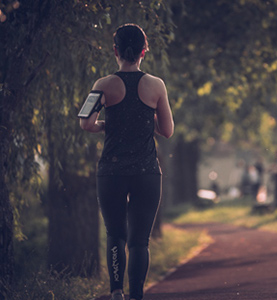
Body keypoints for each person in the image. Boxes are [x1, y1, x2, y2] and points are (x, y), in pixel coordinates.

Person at [80, 24, 174, 300]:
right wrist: (143, 119)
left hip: (111, 172)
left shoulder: (102, 85)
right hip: (146, 172)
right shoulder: (156, 85)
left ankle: (116, 292)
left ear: (115, 50)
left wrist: (109, 125)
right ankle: (136, 295)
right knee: (139, 241)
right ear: (144, 51)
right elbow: (167, 130)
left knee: (116, 235)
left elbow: (86, 123)